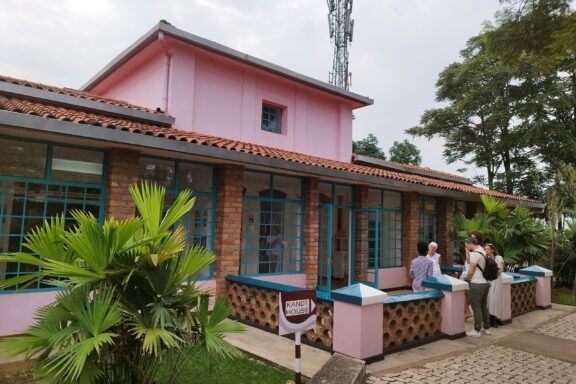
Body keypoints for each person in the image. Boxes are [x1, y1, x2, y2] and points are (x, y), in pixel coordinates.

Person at [463, 237, 491, 337]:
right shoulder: (483, 252)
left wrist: (467, 278)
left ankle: (477, 330)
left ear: (471, 244)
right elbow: (469, 261)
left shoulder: (475, 254)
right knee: (484, 306)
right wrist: (467, 252)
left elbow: (471, 270)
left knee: (476, 307)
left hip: (476, 283)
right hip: (485, 283)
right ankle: (486, 328)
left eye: (467, 245)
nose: (466, 247)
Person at [486, 243, 505, 327]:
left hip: (496, 280)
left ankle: (493, 319)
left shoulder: (498, 257)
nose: (486, 251)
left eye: (488, 249)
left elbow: (500, 269)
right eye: (485, 249)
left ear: (492, 250)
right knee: (488, 300)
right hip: (489, 281)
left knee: (494, 300)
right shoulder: (485, 258)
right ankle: (489, 320)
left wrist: (493, 270)